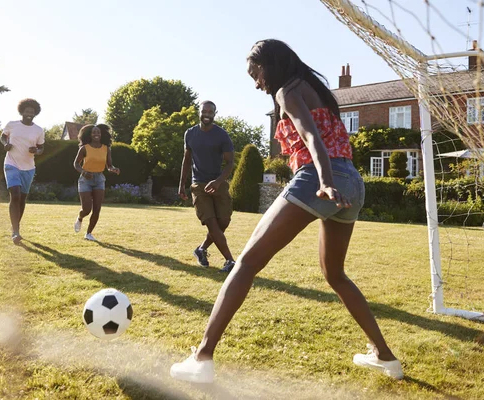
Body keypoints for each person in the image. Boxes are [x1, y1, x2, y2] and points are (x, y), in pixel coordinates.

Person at [170, 39, 403, 382]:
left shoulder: (287, 91)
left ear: (268, 66)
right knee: (335, 274)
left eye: (255, 74)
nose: (255, 83)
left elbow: (311, 137)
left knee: (246, 263)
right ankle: (386, 358)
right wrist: (332, 179)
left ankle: (202, 358)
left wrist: (323, 179)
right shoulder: (316, 89)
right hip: (352, 181)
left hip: (319, 179)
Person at [178, 100, 236, 273]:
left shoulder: (222, 135)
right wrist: (182, 184)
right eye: (204, 111)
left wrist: (218, 182)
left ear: (215, 114)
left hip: (218, 183)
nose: (207, 115)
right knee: (211, 222)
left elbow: (230, 163)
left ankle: (201, 249)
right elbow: (186, 160)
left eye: (211, 112)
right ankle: (230, 260)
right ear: (199, 112)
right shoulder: (190, 134)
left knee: (223, 222)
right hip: (199, 185)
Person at [0, 98, 45, 244]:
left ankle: (15, 227)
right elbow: (3, 135)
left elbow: (41, 148)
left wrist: (36, 151)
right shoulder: (12, 125)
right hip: (11, 163)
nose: (29, 113)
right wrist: (6, 144)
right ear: (22, 111)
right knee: (15, 195)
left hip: (29, 168)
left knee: (22, 199)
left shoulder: (38, 130)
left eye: (32, 111)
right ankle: (16, 232)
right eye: (27, 110)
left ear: (35, 113)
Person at [73, 124, 120, 241]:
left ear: (101, 134)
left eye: (98, 132)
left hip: (99, 179)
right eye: (93, 132)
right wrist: (84, 172)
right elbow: (76, 164)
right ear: (89, 134)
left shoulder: (106, 149)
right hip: (85, 179)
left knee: (97, 208)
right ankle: (80, 217)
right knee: (86, 209)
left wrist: (113, 169)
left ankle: (88, 233)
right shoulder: (84, 148)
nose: (96, 134)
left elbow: (109, 165)